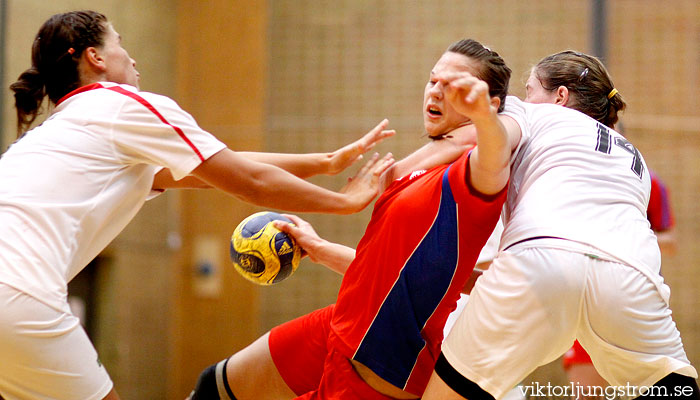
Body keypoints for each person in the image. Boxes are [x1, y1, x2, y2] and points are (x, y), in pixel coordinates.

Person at [0, 10, 397, 400]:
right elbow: (250, 183)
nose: (132, 57)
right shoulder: (121, 104)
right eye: (120, 43)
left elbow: (215, 169)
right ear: (96, 57)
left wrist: (324, 163)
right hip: (19, 293)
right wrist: (343, 203)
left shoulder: (65, 131)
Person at [187, 38, 517, 400]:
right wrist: (321, 248)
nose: (436, 92)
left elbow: (495, 150)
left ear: (489, 103)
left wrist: (485, 118)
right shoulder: (423, 161)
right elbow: (392, 270)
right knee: (213, 386)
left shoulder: (474, 168)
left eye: (453, 86)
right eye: (433, 80)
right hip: (345, 328)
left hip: (379, 362)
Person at [422, 52, 699, 399]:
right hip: (631, 275)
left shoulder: (533, 113)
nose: (523, 97)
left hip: (541, 259)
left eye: (529, 88)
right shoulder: (633, 156)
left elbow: (477, 139)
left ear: (560, 97)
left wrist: (397, 173)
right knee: (672, 385)